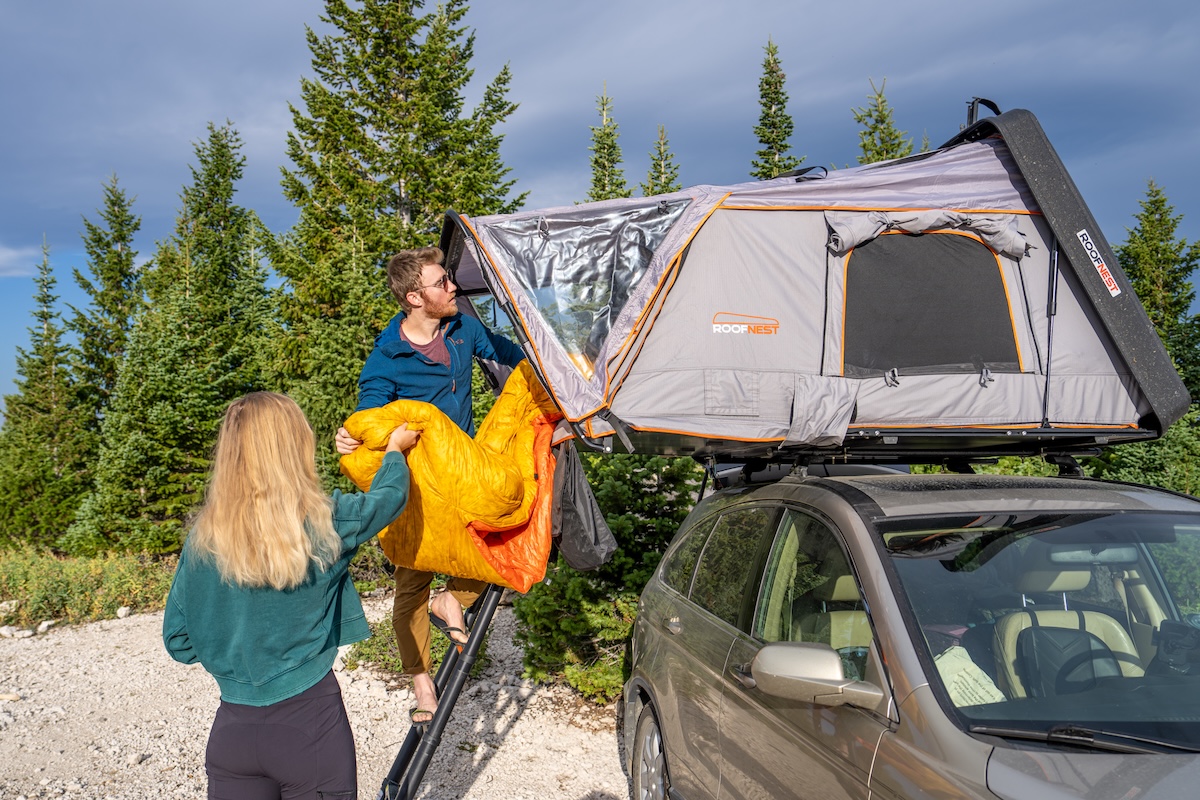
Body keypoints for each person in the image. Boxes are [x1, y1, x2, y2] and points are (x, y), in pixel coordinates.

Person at [163, 392, 419, 799]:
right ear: (294, 447)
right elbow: (389, 499)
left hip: (232, 733)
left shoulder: (203, 537)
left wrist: (238, 656)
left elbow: (178, 640)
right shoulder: (326, 518)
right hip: (309, 726)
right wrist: (393, 451)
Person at [335, 245, 525, 726]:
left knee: (495, 543)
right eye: (442, 282)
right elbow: (371, 417)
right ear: (414, 297)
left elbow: (508, 356)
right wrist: (351, 434)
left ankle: (453, 601)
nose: (453, 287)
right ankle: (423, 684)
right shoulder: (388, 357)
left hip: (463, 473)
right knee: (411, 584)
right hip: (418, 490)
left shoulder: (463, 328)